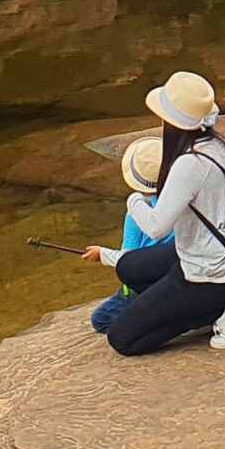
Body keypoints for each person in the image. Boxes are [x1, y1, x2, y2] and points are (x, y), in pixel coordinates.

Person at [102, 70, 225, 355]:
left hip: (210, 275)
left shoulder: (189, 164)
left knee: (121, 338)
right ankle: (199, 304)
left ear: (171, 122)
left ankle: (211, 312)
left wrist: (134, 200)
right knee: (128, 267)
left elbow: (157, 227)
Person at [87, 137, 165, 335]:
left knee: (101, 319)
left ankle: (149, 318)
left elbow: (129, 261)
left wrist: (102, 254)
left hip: (144, 285)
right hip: (175, 277)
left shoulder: (136, 213)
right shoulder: (180, 203)